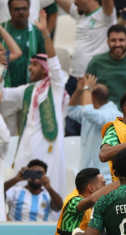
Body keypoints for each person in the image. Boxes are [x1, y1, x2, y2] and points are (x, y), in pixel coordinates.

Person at [1, 11, 67, 196]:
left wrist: (45, 34)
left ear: (45, 69)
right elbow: (2, 94)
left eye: (35, 65)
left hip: (49, 147)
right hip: (26, 147)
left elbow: (54, 64)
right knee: (19, 187)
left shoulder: (56, 87)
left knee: (48, 185)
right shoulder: (28, 90)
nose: (29, 67)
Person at [67, 74, 121, 182]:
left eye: (86, 94)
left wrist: (87, 88)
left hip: (104, 179)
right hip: (87, 177)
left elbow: (88, 112)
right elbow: (71, 110)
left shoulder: (112, 115)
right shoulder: (93, 112)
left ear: (92, 98)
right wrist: (79, 90)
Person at [52, 0, 115, 87]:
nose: (74, 2)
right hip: (75, 77)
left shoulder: (105, 16)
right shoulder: (78, 14)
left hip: (93, 80)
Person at [85, 25, 126, 106]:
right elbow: (87, 91)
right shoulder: (96, 62)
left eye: (121, 40)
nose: (117, 44)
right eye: (113, 40)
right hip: (104, 114)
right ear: (108, 42)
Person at [0, 0, 44, 89]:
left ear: (29, 10)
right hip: (5, 88)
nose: (21, 12)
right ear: (9, 10)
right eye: (17, 9)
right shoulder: (2, 31)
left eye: (24, 9)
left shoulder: (37, 32)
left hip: (31, 88)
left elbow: (45, 62)